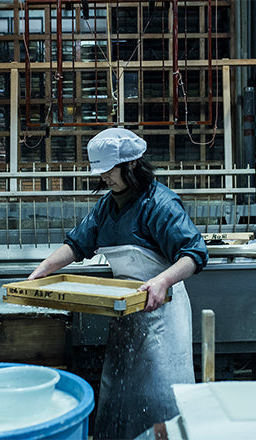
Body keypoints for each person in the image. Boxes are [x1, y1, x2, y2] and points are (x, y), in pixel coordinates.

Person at [28, 128, 208, 439]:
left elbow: (194, 254)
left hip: (162, 313)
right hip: (126, 312)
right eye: (101, 171)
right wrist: (43, 269)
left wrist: (163, 280)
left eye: (110, 170)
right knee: (120, 396)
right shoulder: (107, 206)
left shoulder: (160, 203)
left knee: (158, 397)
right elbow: (77, 244)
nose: (105, 177)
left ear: (133, 163)